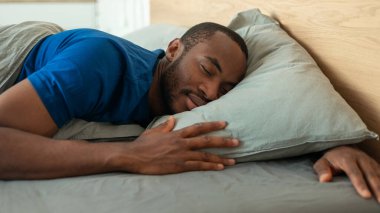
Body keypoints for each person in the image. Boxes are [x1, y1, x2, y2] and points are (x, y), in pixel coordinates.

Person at [0, 22, 379, 203]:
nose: (212, 93)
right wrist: (127, 154)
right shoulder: (98, 65)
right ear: (173, 49)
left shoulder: (192, 98)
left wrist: (329, 146)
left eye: (227, 89)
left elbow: (271, 112)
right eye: (207, 70)